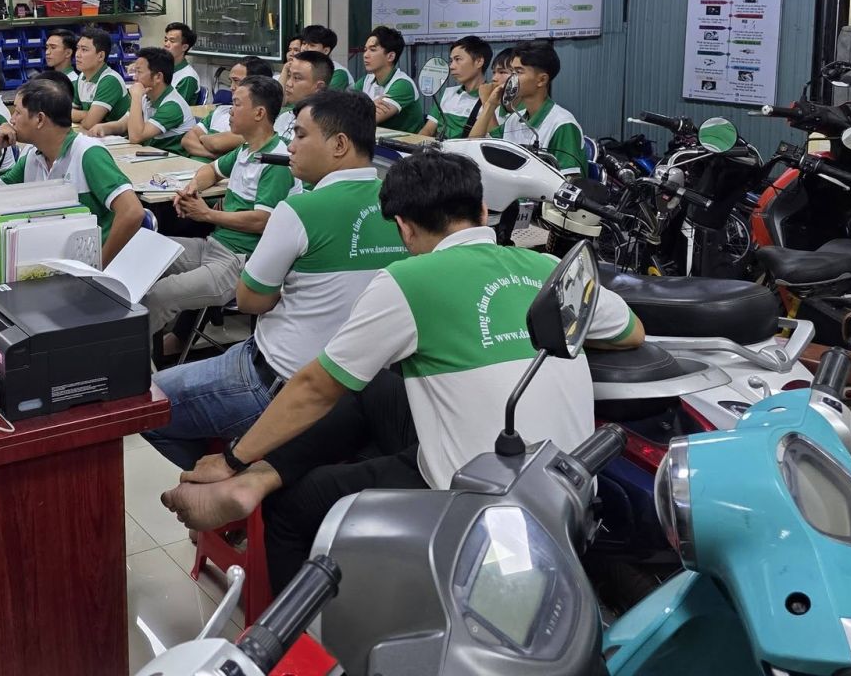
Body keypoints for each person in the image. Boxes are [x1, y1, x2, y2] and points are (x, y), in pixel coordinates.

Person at [159, 149, 643, 592]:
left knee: (294, 506)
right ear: (482, 212)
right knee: (375, 384)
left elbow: (314, 388)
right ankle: (263, 477)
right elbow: (631, 332)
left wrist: (234, 458)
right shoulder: (547, 268)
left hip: (472, 502)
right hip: (570, 494)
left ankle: (292, 631)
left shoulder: (407, 280)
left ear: (404, 228)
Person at [143, 90, 406, 469]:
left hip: (275, 381)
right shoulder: (402, 208)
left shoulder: (300, 209)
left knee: (145, 408)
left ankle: (226, 475)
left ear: (339, 145)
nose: (291, 146)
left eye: (300, 135)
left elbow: (250, 301)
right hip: (362, 393)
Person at [147, 75, 293, 352]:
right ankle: (145, 351)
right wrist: (192, 188)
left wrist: (207, 215)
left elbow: (262, 221)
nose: (230, 111)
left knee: (161, 294)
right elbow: (210, 171)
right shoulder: (246, 150)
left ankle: (133, 365)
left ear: (259, 113)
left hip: (239, 261)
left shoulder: (276, 161)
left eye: (237, 104)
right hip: (213, 246)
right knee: (143, 253)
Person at [0, 75, 145, 266]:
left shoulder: (88, 153)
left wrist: (98, 269)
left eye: (18, 113)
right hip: (52, 261)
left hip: (89, 265)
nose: (11, 120)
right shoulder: (31, 155)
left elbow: (132, 212)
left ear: (40, 119)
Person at [472, 41, 586, 175]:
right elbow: (473, 145)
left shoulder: (562, 124)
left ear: (541, 80)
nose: (511, 79)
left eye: (518, 72)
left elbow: (570, 180)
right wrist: (490, 104)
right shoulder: (514, 118)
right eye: (512, 72)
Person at [90, 46, 193, 152]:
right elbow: (122, 125)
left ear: (158, 77)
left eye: (139, 72)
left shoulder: (172, 105)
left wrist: (136, 97)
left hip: (173, 159)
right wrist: (102, 127)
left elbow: (135, 137)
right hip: (151, 154)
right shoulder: (146, 96)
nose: (134, 77)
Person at [180, 55, 273, 158]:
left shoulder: (256, 119)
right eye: (231, 81)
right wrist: (217, 157)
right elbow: (186, 140)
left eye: (237, 81)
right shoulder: (220, 110)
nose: (231, 87)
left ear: (257, 85)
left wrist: (202, 138)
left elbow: (216, 143)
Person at [359, 25, 426, 132]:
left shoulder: (402, 85)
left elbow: (367, 121)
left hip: (403, 142)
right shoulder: (366, 80)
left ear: (390, 56)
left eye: (372, 50)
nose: (365, 55)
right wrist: (370, 106)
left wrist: (362, 106)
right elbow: (341, 107)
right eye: (365, 49)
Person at [423, 35, 491, 140]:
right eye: (451, 61)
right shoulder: (447, 93)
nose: (451, 66)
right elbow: (428, 130)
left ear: (479, 62)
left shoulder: (491, 100)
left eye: (458, 59)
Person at [71, 26, 130, 129]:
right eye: (77, 48)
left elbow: (89, 124)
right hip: (95, 135)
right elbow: (68, 114)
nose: (77, 54)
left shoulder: (110, 80)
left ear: (101, 56)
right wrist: (86, 114)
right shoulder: (81, 77)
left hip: (119, 137)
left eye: (84, 50)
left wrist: (84, 117)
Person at [277, 50, 333, 142]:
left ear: (319, 87)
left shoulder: (326, 126)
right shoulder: (284, 117)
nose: (288, 83)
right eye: (289, 75)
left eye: (297, 78)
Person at [299, 24, 350, 89]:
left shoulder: (338, 73)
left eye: (312, 45)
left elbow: (323, 95)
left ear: (326, 51)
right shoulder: (299, 68)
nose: (304, 48)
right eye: (304, 43)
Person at [164, 21, 203, 105]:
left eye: (172, 41)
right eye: (166, 40)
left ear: (184, 47)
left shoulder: (187, 77)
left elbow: (173, 107)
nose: (166, 44)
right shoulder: (164, 68)